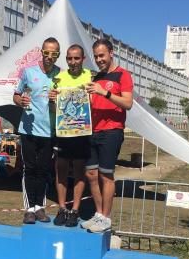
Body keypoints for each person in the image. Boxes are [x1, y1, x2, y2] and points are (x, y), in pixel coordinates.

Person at [83, 38, 133, 233]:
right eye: (96, 56)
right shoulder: (95, 78)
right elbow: (91, 104)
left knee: (106, 175)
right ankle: (99, 214)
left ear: (111, 53)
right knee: (91, 174)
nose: (99, 59)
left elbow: (128, 103)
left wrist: (105, 93)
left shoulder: (123, 75)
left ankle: (106, 217)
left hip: (112, 131)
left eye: (102, 55)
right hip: (92, 131)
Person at [13, 37, 60, 224]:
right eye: (47, 52)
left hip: (49, 131)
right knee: (29, 168)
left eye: (54, 53)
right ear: (41, 52)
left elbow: (65, 101)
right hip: (29, 130)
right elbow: (16, 95)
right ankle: (29, 208)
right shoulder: (28, 72)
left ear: (58, 55)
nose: (50, 56)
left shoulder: (60, 75)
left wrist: (57, 98)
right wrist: (20, 101)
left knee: (43, 170)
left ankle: (40, 207)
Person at [53, 44, 91, 227]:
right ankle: (62, 208)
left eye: (76, 58)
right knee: (60, 170)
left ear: (83, 59)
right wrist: (52, 99)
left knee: (79, 172)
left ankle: (75, 210)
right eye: (69, 58)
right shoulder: (59, 78)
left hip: (82, 132)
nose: (73, 61)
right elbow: (54, 106)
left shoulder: (90, 76)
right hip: (63, 132)